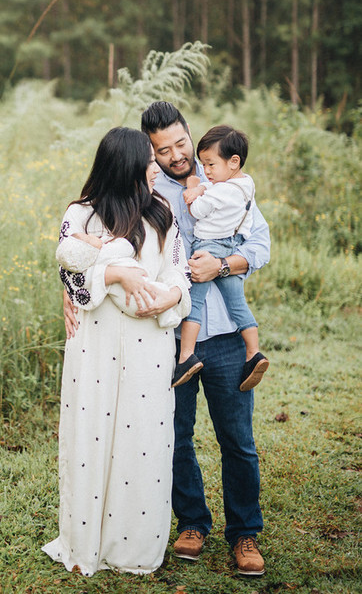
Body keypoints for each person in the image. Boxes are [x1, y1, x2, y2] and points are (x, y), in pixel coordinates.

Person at [64, 102, 270, 577]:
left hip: (221, 336)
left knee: (237, 439)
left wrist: (221, 265)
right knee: (172, 437)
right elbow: (96, 236)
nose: (176, 155)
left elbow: (259, 246)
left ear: (189, 135)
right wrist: (69, 288)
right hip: (163, 340)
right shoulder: (148, 194)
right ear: (149, 155)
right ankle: (192, 522)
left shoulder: (227, 180)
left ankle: (244, 534)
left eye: (181, 143)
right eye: (163, 150)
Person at [43, 126, 191, 577]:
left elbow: (179, 273)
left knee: (143, 442)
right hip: (95, 347)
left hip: (149, 347)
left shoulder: (162, 212)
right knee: (92, 438)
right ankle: (86, 542)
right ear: (123, 166)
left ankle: (134, 548)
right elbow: (69, 273)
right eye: (147, 161)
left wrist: (172, 298)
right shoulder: (81, 215)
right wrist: (115, 277)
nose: (155, 168)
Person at [172, 124, 269, 392]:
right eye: (204, 165)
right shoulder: (245, 184)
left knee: (195, 301)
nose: (207, 171)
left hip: (209, 249)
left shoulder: (218, 188)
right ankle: (254, 352)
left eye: (210, 165)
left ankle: (185, 356)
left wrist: (195, 189)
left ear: (234, 161)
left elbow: (198, 211)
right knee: (238, 304)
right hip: (233, 245)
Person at [57, 231, 190, 328]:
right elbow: (126, 247)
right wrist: (119, 273)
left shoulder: (91, 259)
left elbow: (175, 264)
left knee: (151, 299)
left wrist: (175, 294)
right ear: (88, 250)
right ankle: (167, 318)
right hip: (129, 297)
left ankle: (166, 316)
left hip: (124, 301)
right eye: (89, 238)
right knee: (153, 294)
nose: (92, 236)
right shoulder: (103, 252)